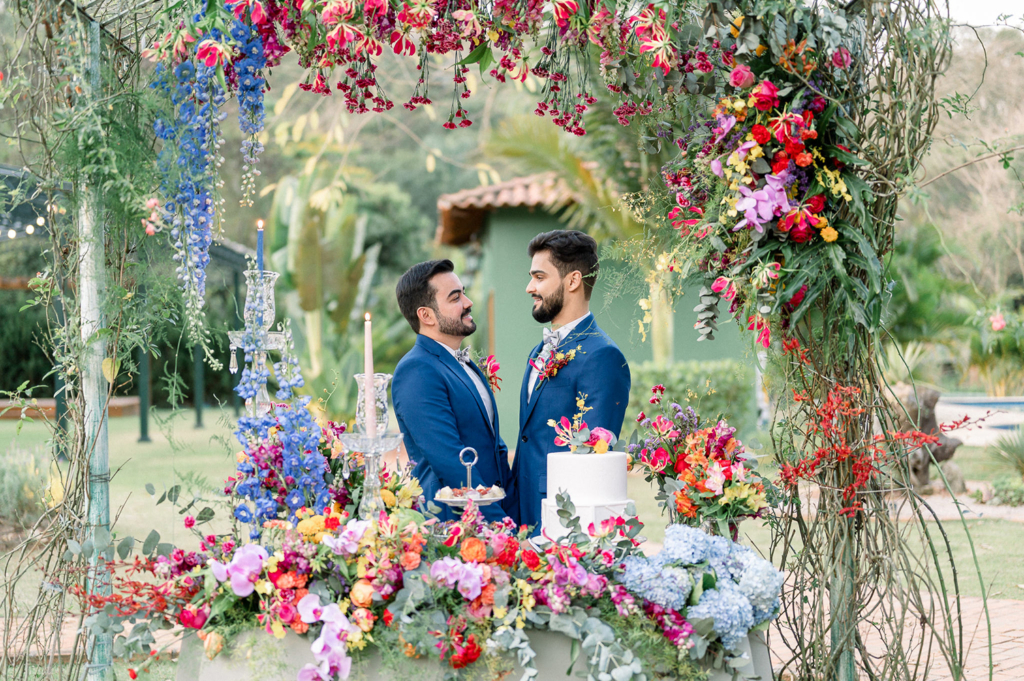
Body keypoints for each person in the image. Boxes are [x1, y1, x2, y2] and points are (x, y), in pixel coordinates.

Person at [512, 230, 631, 532]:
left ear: (573, 281)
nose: (530, 287)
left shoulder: (602, 356)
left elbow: (593, 457)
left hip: (564, 516)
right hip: (521, 509)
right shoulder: (538, 351)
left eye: (539, 277)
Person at [392, 259, 514, 523]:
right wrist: (499, 526)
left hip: (495, 514)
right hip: (455, 524)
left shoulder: (463, 364)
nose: (468, 302)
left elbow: (495, 448)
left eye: (464, 292)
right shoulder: (416, 371)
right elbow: (450, 460)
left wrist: (512, 511)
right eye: (455, 297)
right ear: (426, 315)